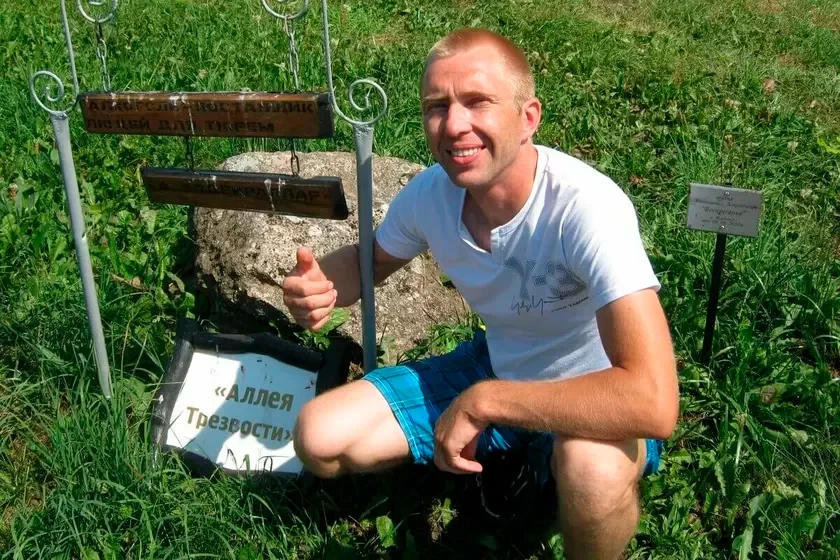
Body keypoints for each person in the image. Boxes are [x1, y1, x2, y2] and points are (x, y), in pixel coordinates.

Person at [280, 27, 679, 560]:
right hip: (499, 364)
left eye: (477, 102)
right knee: (319, 436)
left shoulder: (587, 209)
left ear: (528, 117)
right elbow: (369, 262)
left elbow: (653, 400)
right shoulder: (431, 194)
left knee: (593, 471)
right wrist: (321, 285)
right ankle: (506, 463)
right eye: (436, 106)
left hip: (592, 393)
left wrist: (486, 401)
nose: (453, 125)